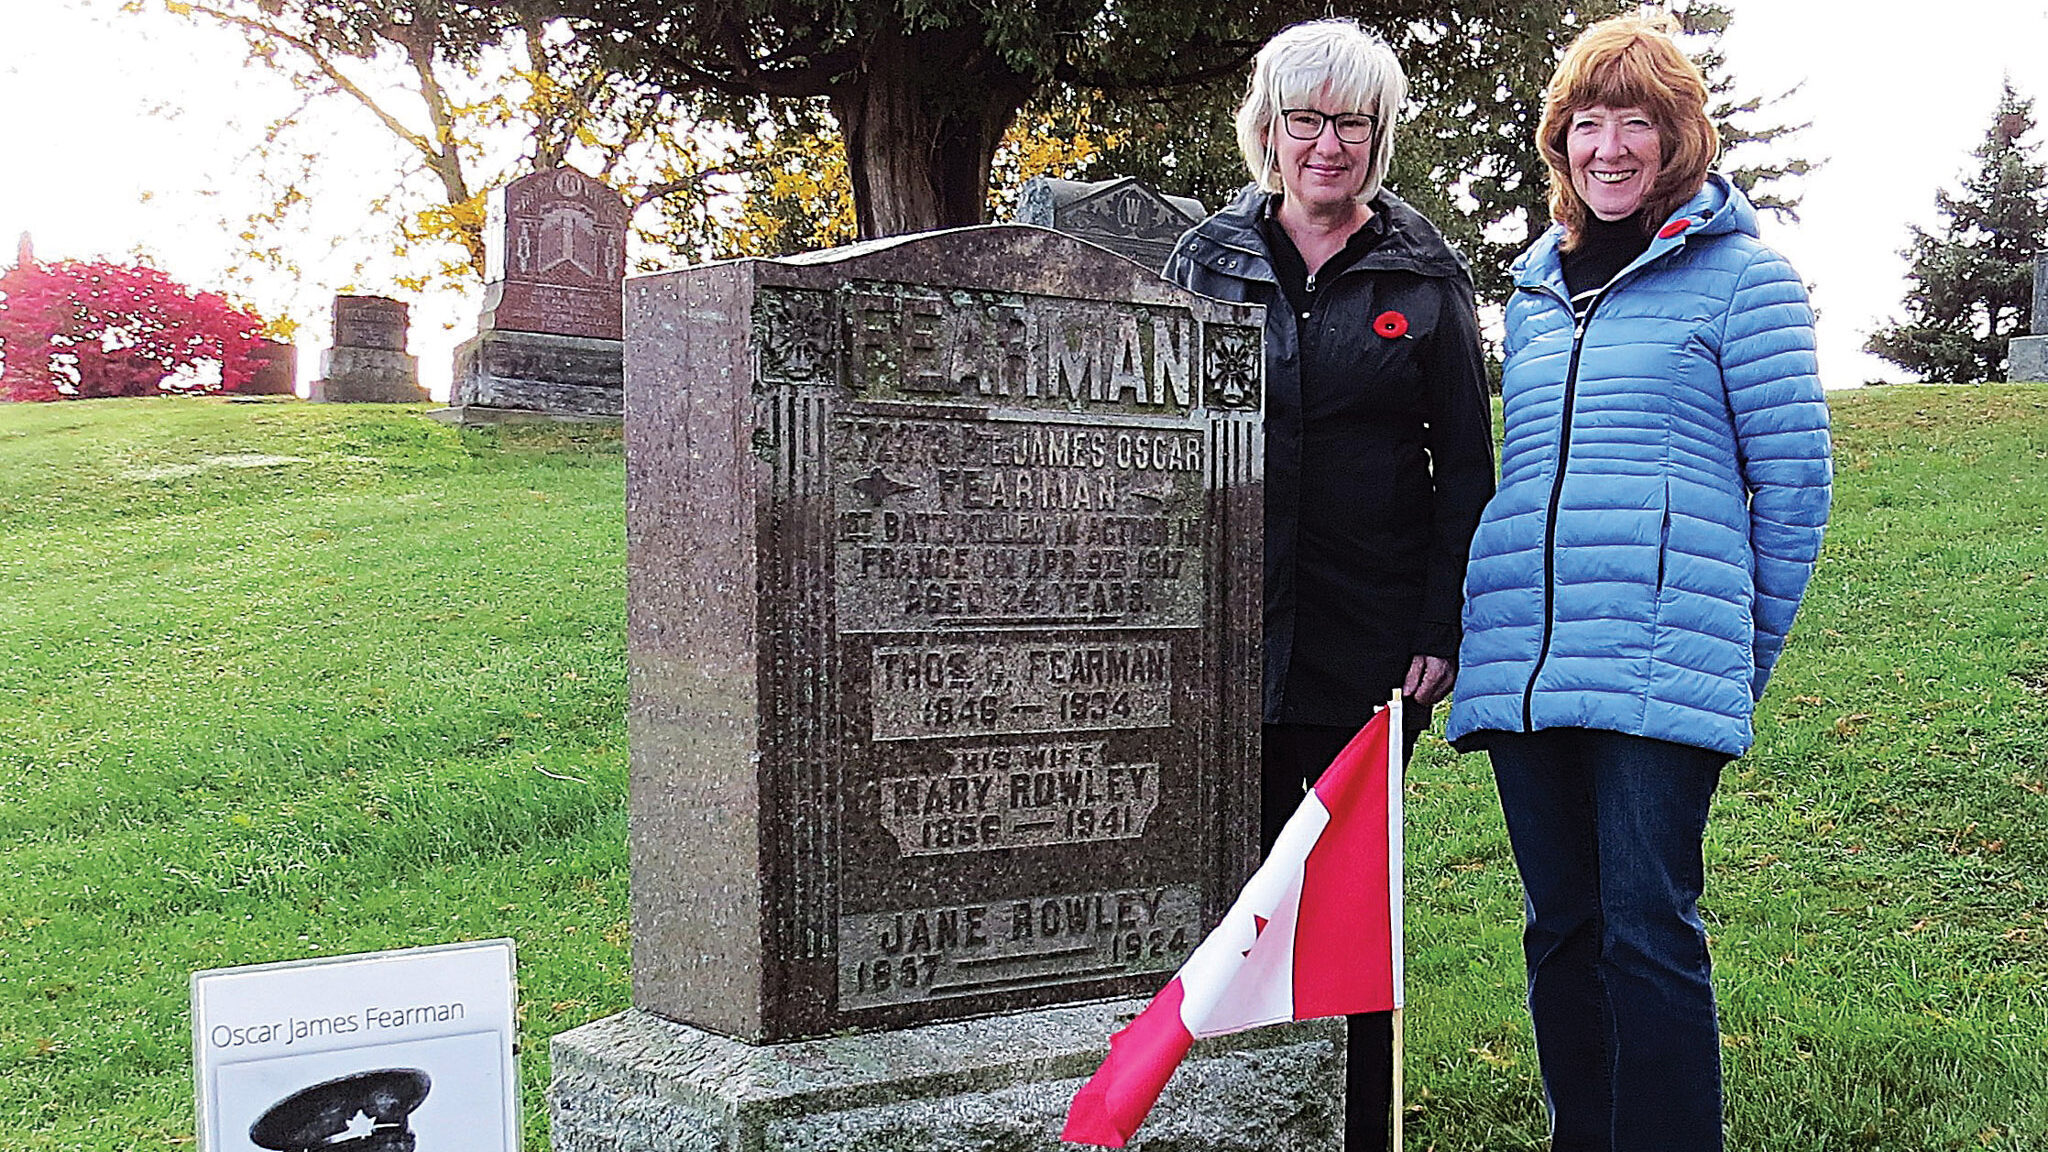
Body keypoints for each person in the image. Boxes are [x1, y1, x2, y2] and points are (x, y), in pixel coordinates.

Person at [1444, 15, 1832, 1152]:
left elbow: (1794, 489)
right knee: (1557, 927)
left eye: (1636, 125)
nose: (1607, 147)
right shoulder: (1529, 293)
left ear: (1677, 141)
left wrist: (1729, 659)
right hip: (1525, 662)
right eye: (1585, 124)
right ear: (1558, 142)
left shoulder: (1743, 282)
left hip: (1665, 661)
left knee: (1645, 930)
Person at [1163, 18, 1494, 1151]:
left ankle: (1355, 1129)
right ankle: (1224, 1119)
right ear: (1267, 129)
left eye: (1350, 122)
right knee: (1219, 902)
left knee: (1339, 910)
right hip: (1216, 644)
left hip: (1366, 649)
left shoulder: (1422, 272)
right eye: (1303, 120)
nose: (1326, 143)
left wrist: (1439, 625)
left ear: (1378, 135)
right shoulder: (1206, 261)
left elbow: (1465, 466)